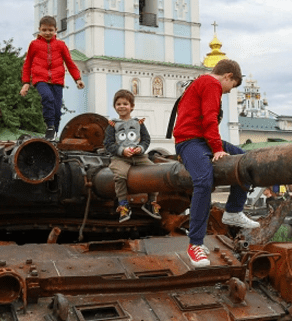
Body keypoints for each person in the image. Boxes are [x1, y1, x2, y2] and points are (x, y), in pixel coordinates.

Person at [172, 59, 259, 267]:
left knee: (245, 160)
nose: (230, 91)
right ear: (228, 76)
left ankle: (233, 211)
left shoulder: (200, 83)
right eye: (233, 86)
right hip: (189, 141)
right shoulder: (211, 84)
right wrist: (217, 148)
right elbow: (209, 118)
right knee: (203, 181)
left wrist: (215, 145)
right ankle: (195, 244)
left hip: (200, 139)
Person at [20, 15, 84, 140]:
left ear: (56, 30)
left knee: (57, 108)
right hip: (40, 79)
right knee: (47, 98)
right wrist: (26, 83)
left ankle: (54, 133)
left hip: (57, 80)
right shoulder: (34, 44)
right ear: (39, 29)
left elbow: (69, 62)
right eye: (44, 30)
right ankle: (50, 127)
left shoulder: (61, 45)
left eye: (50, 30)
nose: (47, 33)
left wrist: (78, 79)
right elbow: (27, 64)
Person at [103, 89, 161, 222]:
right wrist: (121, 151)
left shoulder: (138, 123)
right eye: (118, 104)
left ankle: (151, 202)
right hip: (120, 158)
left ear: (132, 106)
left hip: (139, 157)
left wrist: (140, 148)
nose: (122, 106)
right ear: (115, 107)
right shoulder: (113, 125)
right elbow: (108, 144)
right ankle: (123, 205)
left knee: (156, 173)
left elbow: (146, 140)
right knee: (120, 175)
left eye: (125, 104)